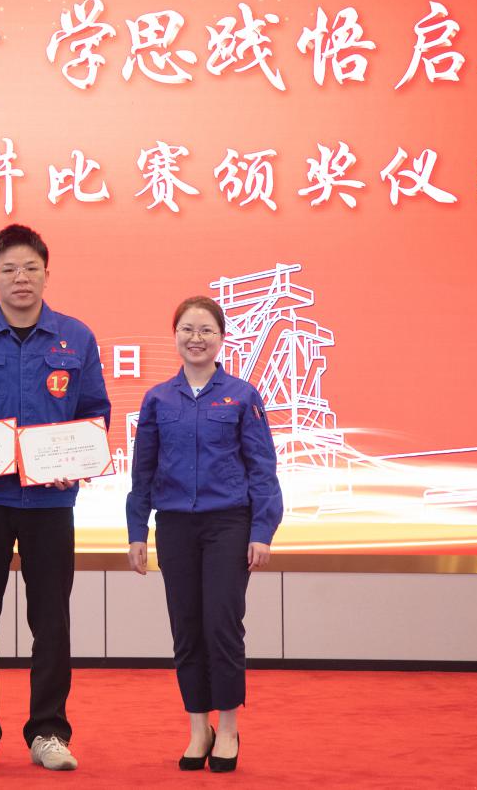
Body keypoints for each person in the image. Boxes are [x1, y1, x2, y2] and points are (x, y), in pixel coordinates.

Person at [0, 224, 110, 773]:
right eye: (8, 269)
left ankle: (49, 731)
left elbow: (94, 413)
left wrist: (75, 463)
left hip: (50, 505)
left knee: (51, 623)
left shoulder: (75, 337)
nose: (20, 278)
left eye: (30, 267)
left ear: (47, 274)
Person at [124, 295, 283, 775]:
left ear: (221, 338)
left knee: (222, 625)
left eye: (206, 330)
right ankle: (199, 727)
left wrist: (263, 530)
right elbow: (143, 471)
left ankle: (228, 727)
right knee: (186, 628)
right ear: (174, 336)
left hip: (228, 524)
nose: (196, 339)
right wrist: (137, 531)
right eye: (188, 330)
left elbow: (262, 468)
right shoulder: (157, 399)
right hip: (174, 526)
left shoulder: (242, 396)